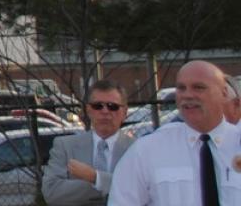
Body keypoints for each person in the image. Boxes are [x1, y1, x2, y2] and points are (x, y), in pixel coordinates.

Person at [109, 60, 241, 205]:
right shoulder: (148, 150)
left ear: (223, 93)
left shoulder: (237, 143)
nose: (188, 95)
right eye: (181, 88)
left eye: (199, 87)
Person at [42, 79, 136, 205]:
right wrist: (101, 183)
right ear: (88, 110)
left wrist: (94, 177)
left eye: (112, 106)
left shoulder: (137, 149)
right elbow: (51, 192)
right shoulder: (65, 146)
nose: (105, 111)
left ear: (125, 112)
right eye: (97, 106)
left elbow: (143, 189)